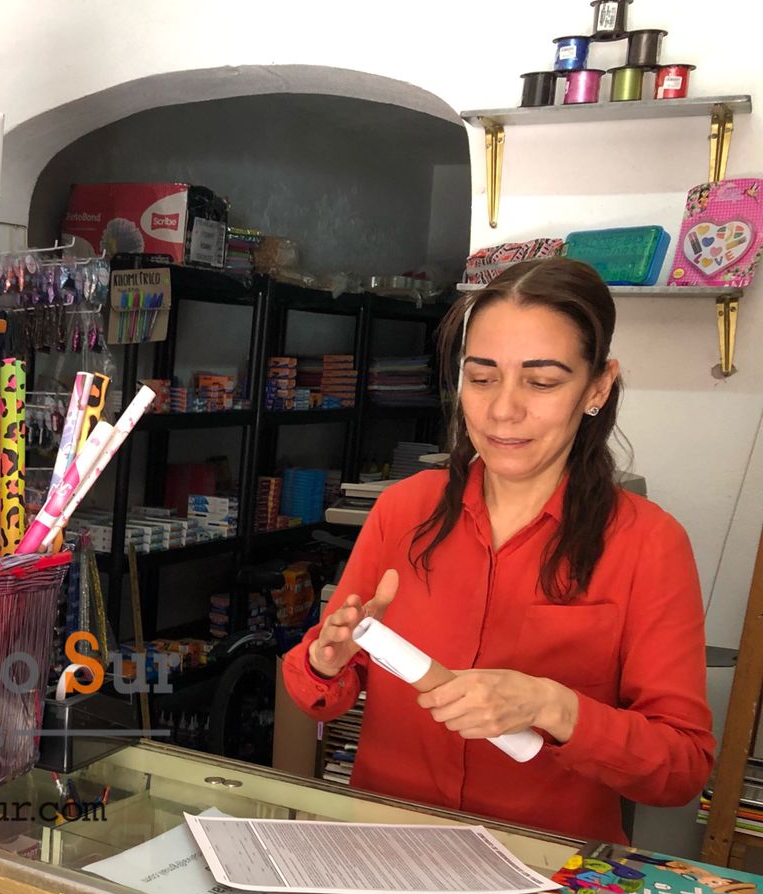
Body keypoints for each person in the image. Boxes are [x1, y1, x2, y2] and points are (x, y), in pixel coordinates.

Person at [283, 258, 713, 843]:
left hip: (545, 871)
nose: (503, 410)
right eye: (482, 378)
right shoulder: (404, 509)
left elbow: (681, 767)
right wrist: (325, 661)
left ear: (597, 386)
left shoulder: (648, 542)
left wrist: (552, 706)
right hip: (388, 849)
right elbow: (319, 685)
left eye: (542, 382)